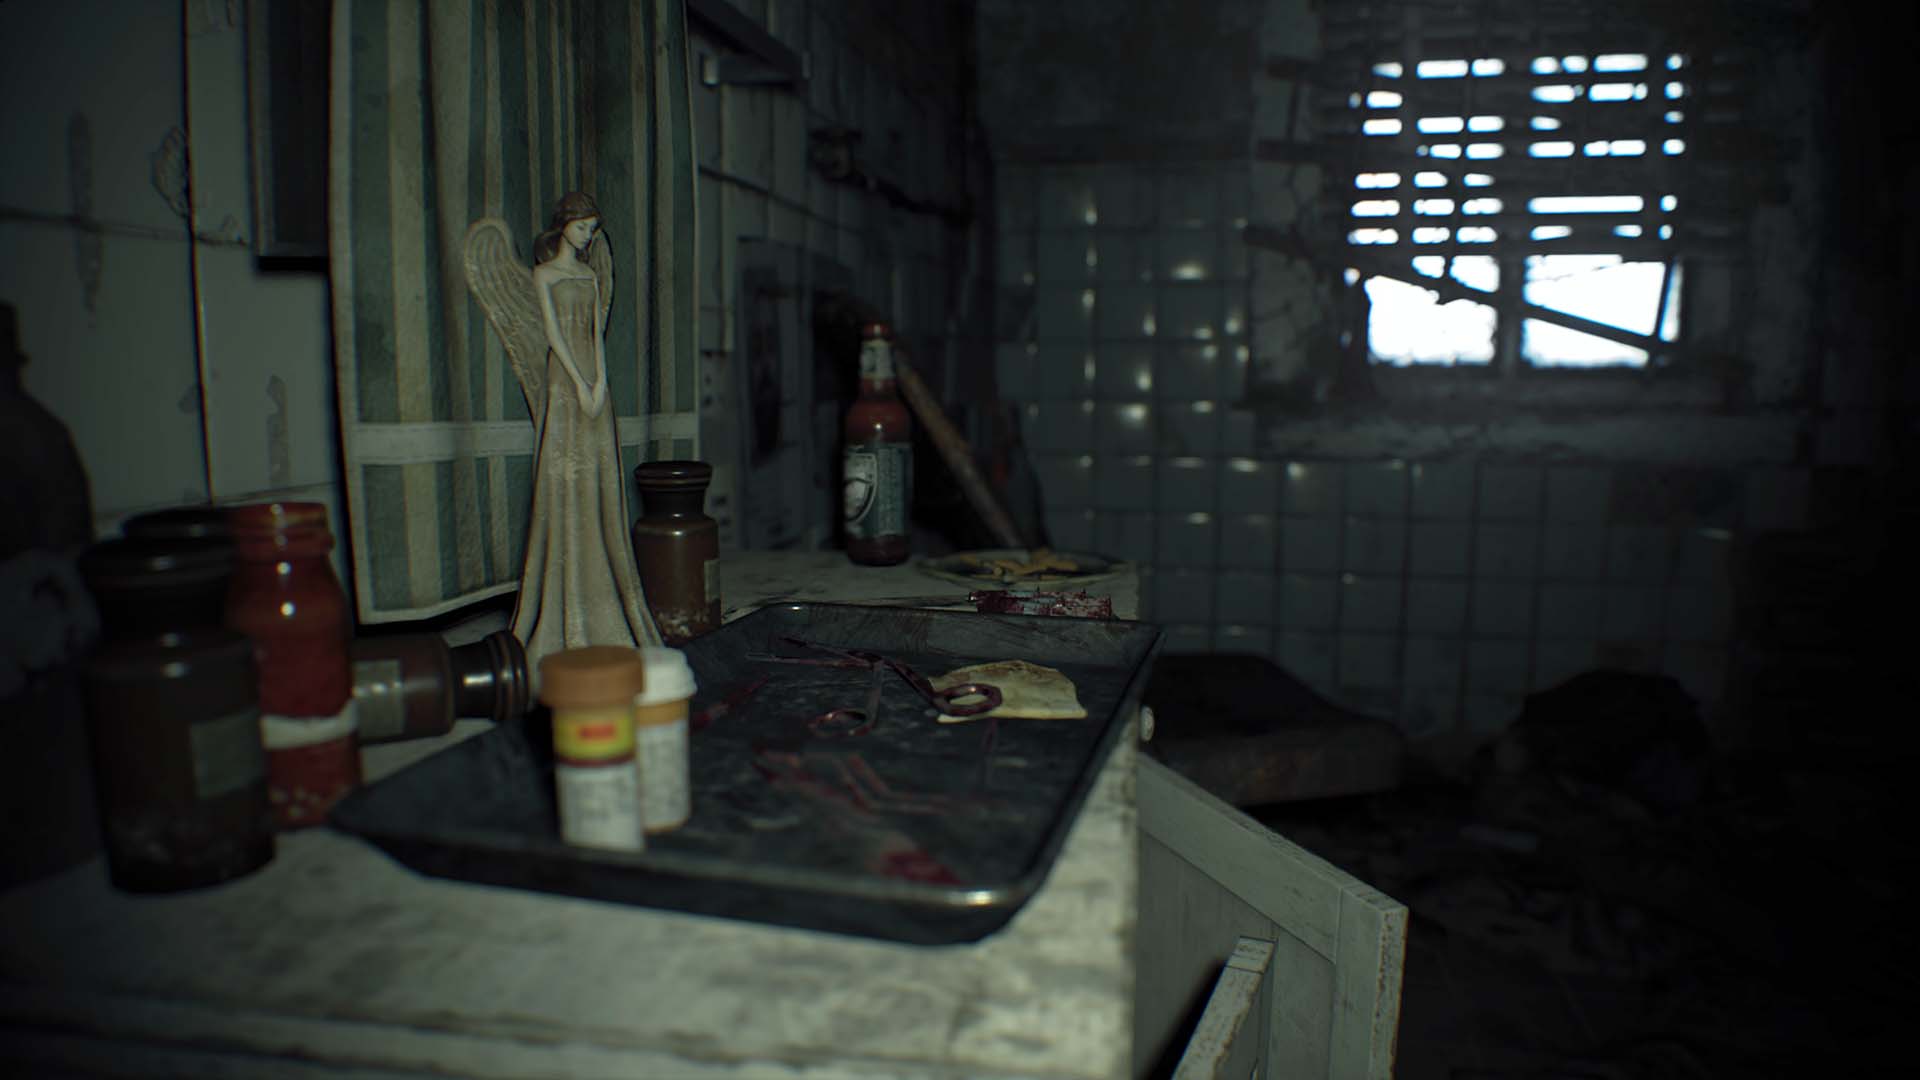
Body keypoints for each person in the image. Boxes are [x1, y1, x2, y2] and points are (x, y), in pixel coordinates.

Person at [466, 193, 660, 671]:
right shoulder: (544, 274)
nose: (587, 236)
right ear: (563, 227)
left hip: (595, 381)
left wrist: (601, 385)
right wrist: (578, 383)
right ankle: (567, 595)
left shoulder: (590, 276)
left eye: (592, 229)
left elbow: (596, 335)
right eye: (581, 227)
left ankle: (604, 591)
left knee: (599, 477)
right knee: (565, 477)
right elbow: (554, 335)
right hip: (564, 379)